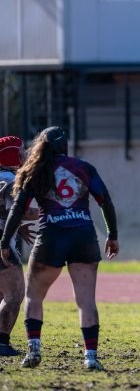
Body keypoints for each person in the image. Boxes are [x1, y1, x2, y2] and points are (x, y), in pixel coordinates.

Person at [0, 127, 119, 371]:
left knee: (33, 296)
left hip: (50, 236)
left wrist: (5, 240)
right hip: (83, 236)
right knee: (86, 300)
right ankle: (91, 357)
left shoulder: (34, 171)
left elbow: (16, 209)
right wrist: (112, 235)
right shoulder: (84, 168)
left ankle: (33, 350)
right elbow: (105, 201)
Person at [0, 136, 31, 357]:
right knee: (14, 294)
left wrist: (18, 227)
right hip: (1, 244)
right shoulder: (11, 180)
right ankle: (1, 344)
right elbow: (17, 211)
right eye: (21, 150)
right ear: (10, 155)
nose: (25, 154)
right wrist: (53, 210)